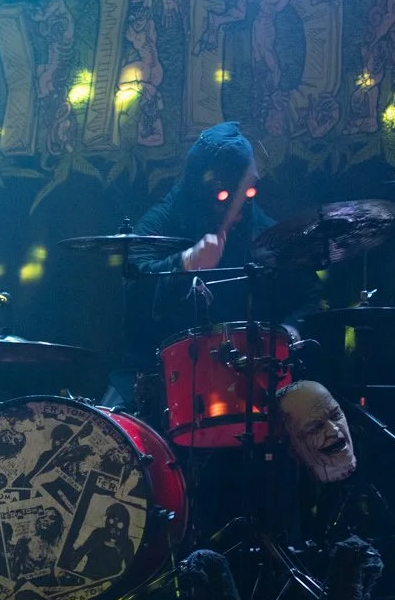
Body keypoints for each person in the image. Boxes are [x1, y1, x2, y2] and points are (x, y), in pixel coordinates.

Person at [111, 121, 314, 412]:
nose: (238, 204)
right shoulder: (166, 217)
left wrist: (293, 326)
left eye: (247, 191)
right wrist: (186, 262)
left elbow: (310, 291)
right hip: (158, 375)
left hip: (244, 376)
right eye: (224, 194)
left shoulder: (261, 228)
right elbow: (135, 285)